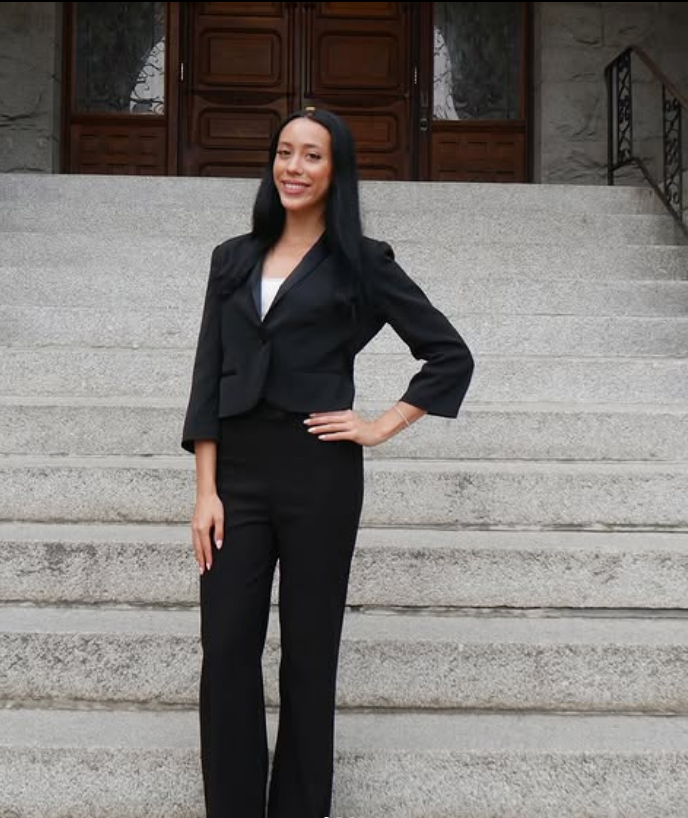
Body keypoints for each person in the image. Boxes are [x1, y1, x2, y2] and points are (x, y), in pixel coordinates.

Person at [181, 106, 475, 818]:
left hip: (320, 472)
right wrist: (205, 491)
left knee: (310, 655)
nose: (294, 167)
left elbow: (448, 354)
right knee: (227, 648)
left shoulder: (363, 263)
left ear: (336, 170)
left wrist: (379, 425)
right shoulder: (232, 258)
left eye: (312, 155)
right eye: (285, 151)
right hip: (237, 476)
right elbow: (208, 374)